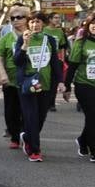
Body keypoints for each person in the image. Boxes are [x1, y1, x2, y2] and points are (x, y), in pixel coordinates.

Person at [13, 14, 60, 162]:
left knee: (40, 118)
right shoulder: (22, 39)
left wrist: (61, 82)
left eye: (38, 22)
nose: (35, 25)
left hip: (46, 85)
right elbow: (17, 61)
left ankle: (27, 137)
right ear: (28, 24)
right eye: (32, 22)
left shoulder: (50, 40)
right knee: (31, 117)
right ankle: (35, 150)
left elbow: (55, 62)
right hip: (27, 84)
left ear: (43, 24)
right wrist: (25, 45)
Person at [0, 4, 28, 148]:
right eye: (12, 18)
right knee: (11, 111)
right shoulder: (6, 38)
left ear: (27, 19)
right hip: (10, 80)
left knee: (27, 110)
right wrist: (2, 74)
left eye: (19, 17)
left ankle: (26, 135)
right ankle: (15, 137)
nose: (15, 20)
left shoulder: (33, 36)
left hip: (28, 79)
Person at [66, 21, 95, 160]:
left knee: (92, 118)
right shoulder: (81, 43)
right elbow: (72, 66)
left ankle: (83, 140)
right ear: (88, 26)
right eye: (93, 23)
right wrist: (66, 86)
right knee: (92, 116)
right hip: (84, 85)